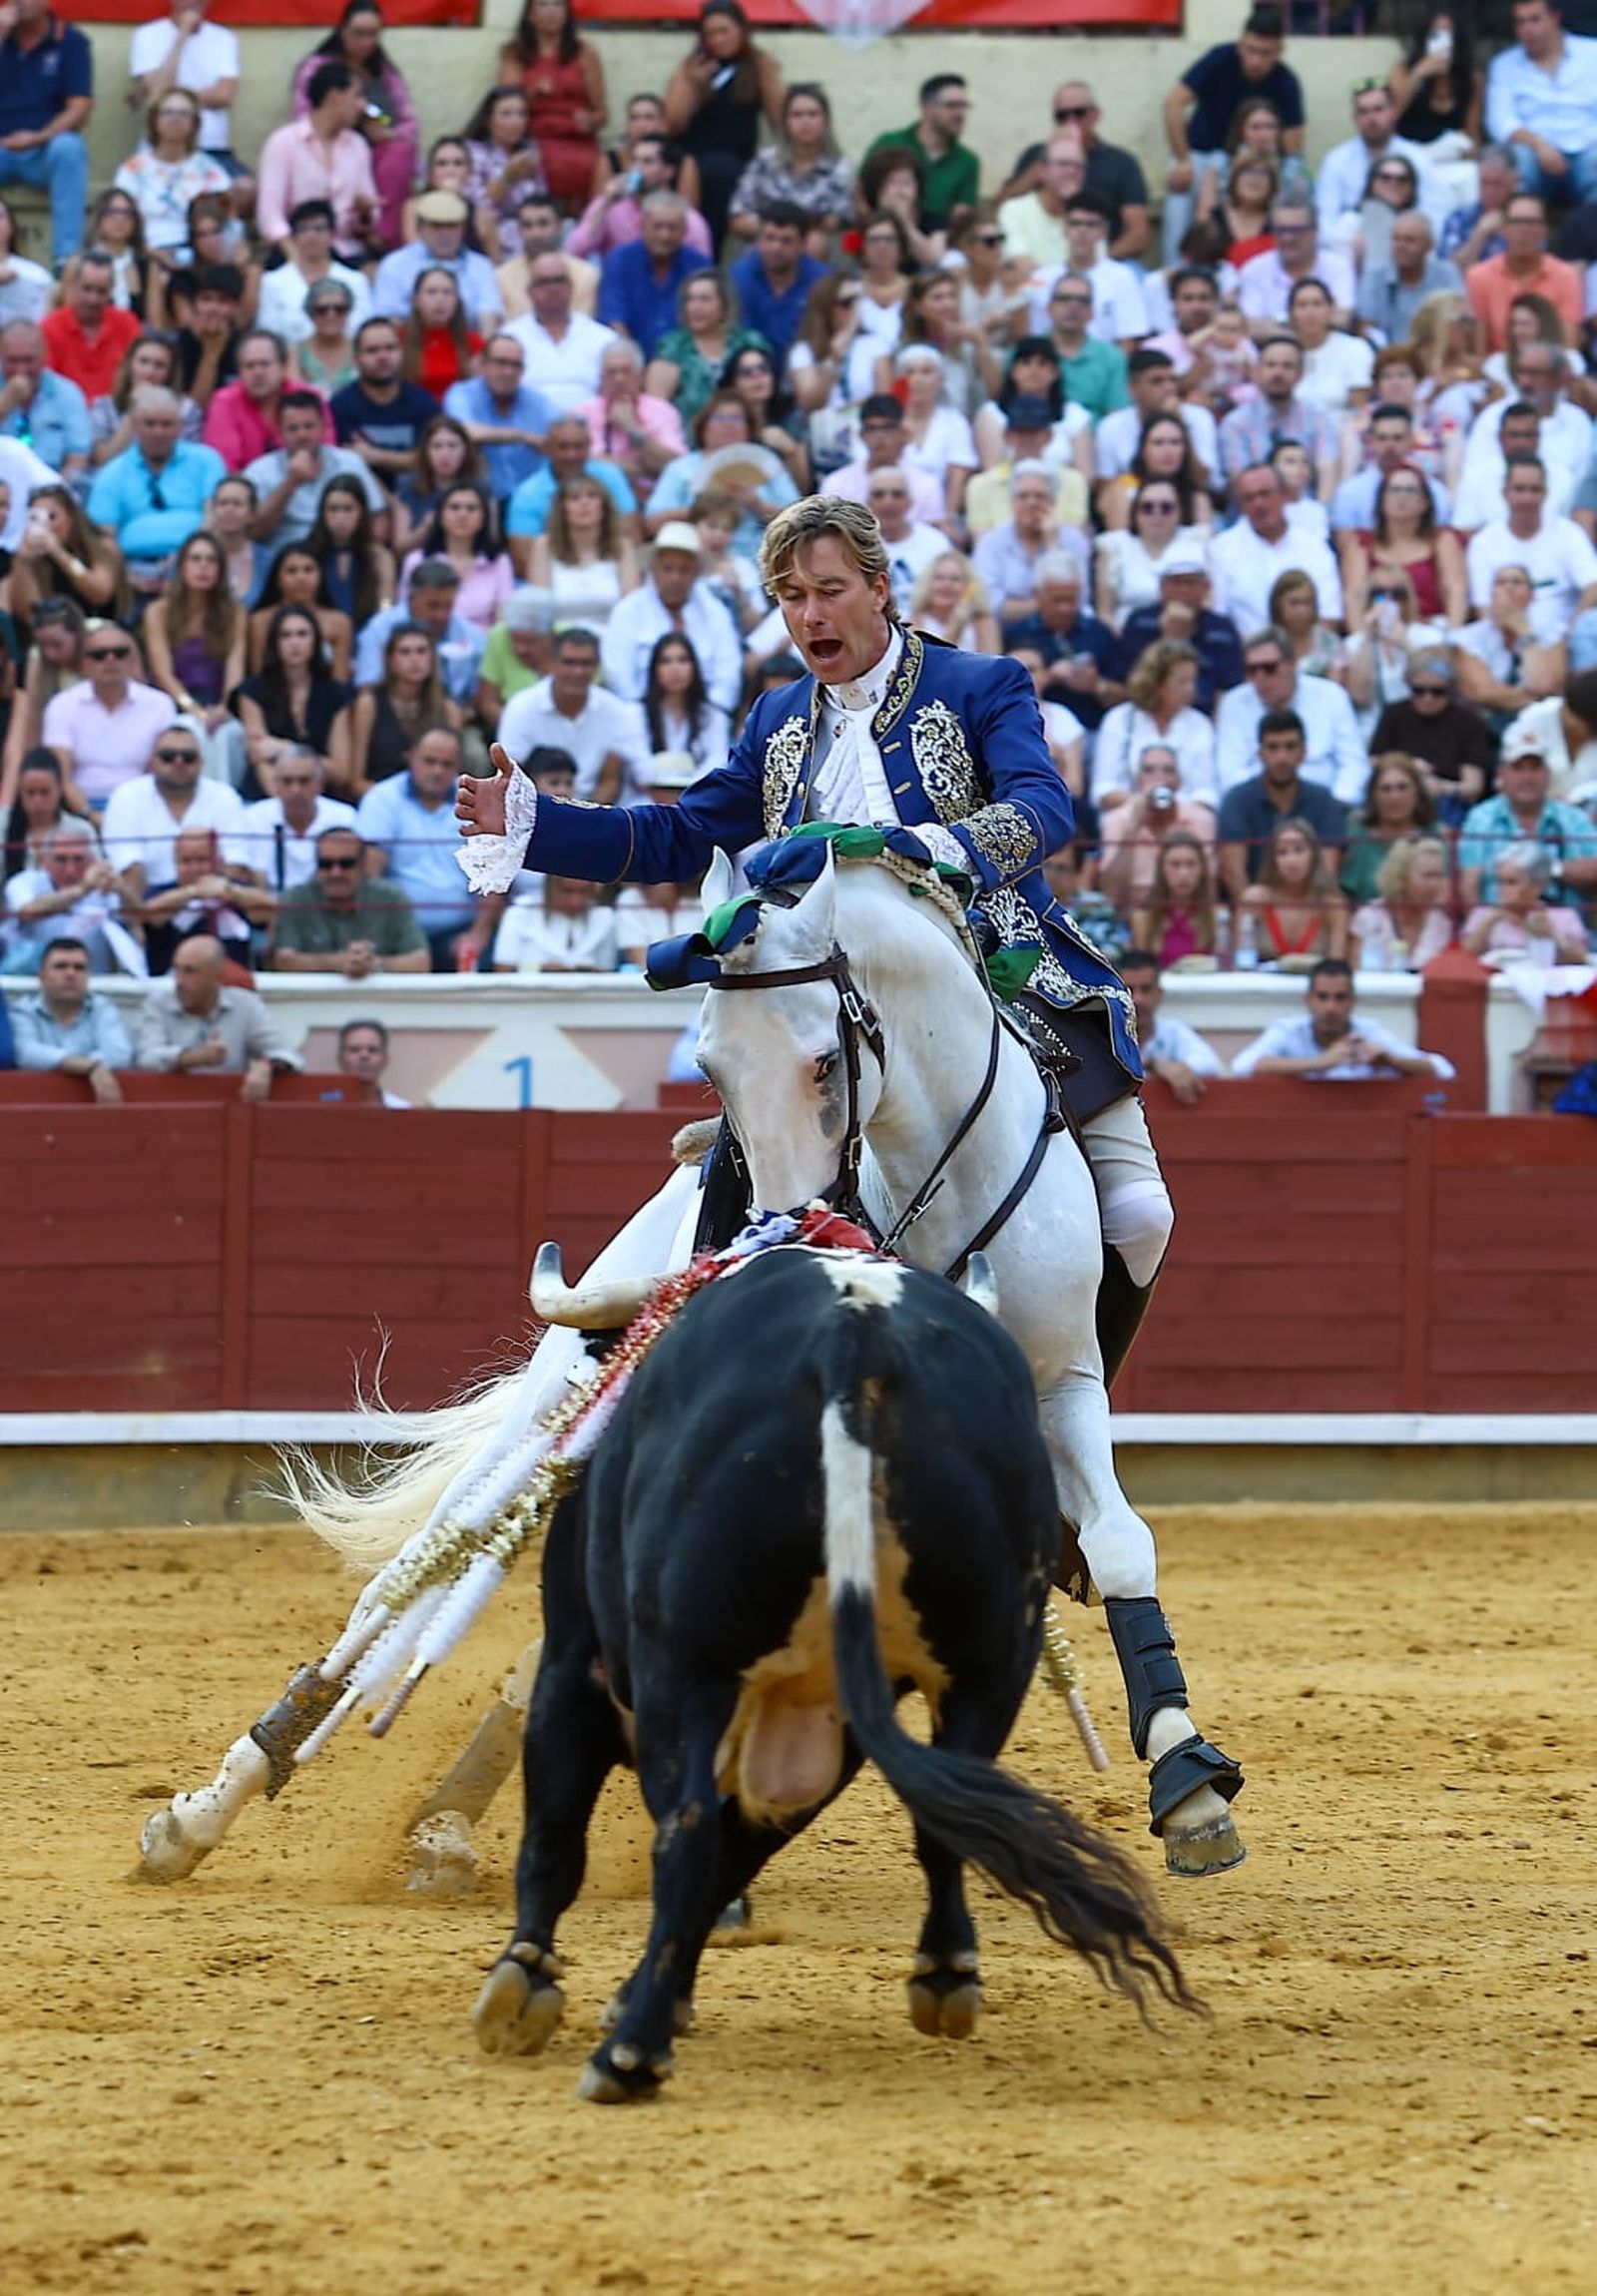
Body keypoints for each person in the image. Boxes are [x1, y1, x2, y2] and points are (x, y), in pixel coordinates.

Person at [462, 485, 1180, 1402]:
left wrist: (929, 847)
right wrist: (536, 826)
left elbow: (1044, 809)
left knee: (1139, 1212)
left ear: (880, 588)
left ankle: (1071, 1391)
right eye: (791, 598)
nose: (810, 615)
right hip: (826, 1011)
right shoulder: (777, 722)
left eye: (829, 590)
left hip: (997, 972)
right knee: (738, 1207)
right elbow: (685, 833)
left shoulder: (979, 686)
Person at [1160, 6, 1303, 265]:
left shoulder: (1286, 82)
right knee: (1179, 190)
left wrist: (1270, 167)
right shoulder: (1220, 59)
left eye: (1266, 53)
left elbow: (1293, 148)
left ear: (1280, 51)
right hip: (1200, 157)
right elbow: (1173, 104)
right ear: (1240, 45)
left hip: (1254, 161)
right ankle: (1177, 272)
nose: (1256, 60)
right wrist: (1182, 159)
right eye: (1251, 50)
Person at [357, 722, 488, 970]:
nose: (437, 771)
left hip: (461, 931)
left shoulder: (475, 800)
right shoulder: (382, 799)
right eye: (429, 761)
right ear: (410, 758)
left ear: (458, 765)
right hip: (398, 931)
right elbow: (369, 877)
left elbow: (494, 875)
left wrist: (477, 935)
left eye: (447, 764)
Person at [663, 1, 784, 248]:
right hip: (691, 154)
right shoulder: (694, 65)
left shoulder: (758, 64)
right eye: (711, 33)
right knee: (693, 170)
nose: (718, 40)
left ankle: (708, 253)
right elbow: (672, 124)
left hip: (734, 157)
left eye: (724, 31)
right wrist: (696, 86)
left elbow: (780, 120)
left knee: (719, 172)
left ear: (741, 30)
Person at [99, 714, 251, 907]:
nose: (178, 762)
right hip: (149, 907)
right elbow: (130, 871)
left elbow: (236, 866)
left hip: (215, 904)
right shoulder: (127, 797)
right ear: (152, 762)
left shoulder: (225, 797)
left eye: (188, 757)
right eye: (168, 756)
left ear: (201, 763)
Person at [599, 521, 741, 714]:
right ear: (654, 569)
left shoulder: (715, 612)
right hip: (639, 715)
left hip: (705, 715)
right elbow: (618, 674)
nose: (675, 578)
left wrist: (710, 715)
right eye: (668, 569)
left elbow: (728, 673)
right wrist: (642, 715)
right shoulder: (627, 611)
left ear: (696, 572)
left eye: (683, 570)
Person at [1232, 956, 1454, 1078]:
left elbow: (1444, 1070)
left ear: (1352, 1002)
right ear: (1308, 1000)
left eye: (1340, 998)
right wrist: (1319, 1063)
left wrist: (1391, 1061)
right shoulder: (1288, 1030)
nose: (1331, 1007)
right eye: (1323, 997)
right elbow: (1242, 1067)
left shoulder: (1368, 1031)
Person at [134, 930, 298, 1093]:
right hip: (171, 1107)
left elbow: (288, 1055)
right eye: (177, 969)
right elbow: (146, 1058)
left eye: (190, 971)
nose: (179, 981)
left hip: (232, 1104)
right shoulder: (157, 1004)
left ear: (218, 976)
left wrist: (267, 1066)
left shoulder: (245, 1004)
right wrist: (196, 1058)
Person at [1006, 80, 1149, 263]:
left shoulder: (1120, 162)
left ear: (1096, 115)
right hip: (1040, 257)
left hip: (1108, 258)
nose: (1070, 120)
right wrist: (1043, 163)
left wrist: (1098, 264)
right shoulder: (1036, 155)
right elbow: (1003, 209)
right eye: (1061, 115)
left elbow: (1139, 233)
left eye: (1078, 113)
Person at [43, 620, 177, 813]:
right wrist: (90, 816)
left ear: (132, 661)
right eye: (100, 655)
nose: (111, 660)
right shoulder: (62, 705)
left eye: (120, 653)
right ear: (85, 664)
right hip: (80, 810)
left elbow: (164, 771)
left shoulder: (160, 704)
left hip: (142, 808)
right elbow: (61, 777)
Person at [1216, 708, 1350, 899]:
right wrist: (1254, 919)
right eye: (1273, 748)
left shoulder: (1323, 801)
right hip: (1255, 911)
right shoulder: (1237, 800)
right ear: (1260, 753)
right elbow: (1233, 873)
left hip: (1311, 914)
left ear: (1303, 752)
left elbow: (1327, 875)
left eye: (1290, 747)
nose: (1282, 758)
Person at [1457, 728, 1597, 907]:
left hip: (1565, 927)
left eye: (1535, 768)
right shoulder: (1481, 818)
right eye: (1518, 769)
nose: (1527, 777)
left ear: (1548, 774)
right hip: (1498, 924)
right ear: (1502, 775)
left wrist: (1550, 868)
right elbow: (1469, 886)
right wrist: (1480, 926)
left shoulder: (1573, 818)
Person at [0, 0, 92, 268]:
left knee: (70, 148)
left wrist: (39, 138)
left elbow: (80, 108)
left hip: (42, 150)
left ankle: (66, 261)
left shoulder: (71, 40)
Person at [495, 0, 607, 219]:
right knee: (537, 163)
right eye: (543, 5)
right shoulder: (515, 53)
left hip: (577, 139)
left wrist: (591, 121)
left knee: (594, 166)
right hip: (534, 137)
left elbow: (602, 114)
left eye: (558, 5)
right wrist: (532, 93)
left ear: (567, 14)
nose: (551, 12)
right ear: (530, 15)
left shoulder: (584, 53)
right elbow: (503, 104)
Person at [269, 821, 427, 974]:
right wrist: (339, 962)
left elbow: (420, 962)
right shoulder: (295, 898)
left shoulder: (390, 897)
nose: (335, 873)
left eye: (346, 864)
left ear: (363, 864)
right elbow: (283, 960)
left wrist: (374, 964)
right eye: (326, 864)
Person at [1466, 455, 1597, 642]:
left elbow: (1593, 587)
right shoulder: (1484, 542)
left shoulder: (1568, 533)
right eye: (1519, 489)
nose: (1527, 498)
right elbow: (1483, 607)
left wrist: (1571, 632)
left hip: (1565, 637)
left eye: (1535, 490)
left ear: (1546, 493)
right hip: (1505, 638)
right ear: (1505, 493)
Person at [232, 603, 353, 800]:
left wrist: (285, 748)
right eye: (285, 636)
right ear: (275, 643)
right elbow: (259, 756)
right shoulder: (252, 690)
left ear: (315, 641)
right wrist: (287, 801)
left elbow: (341, 771)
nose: (294, 642)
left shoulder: (336, 694)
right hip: (265, 797)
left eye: (302, 634)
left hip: (320, 799)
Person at [1211, 465, 1343, 637]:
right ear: (1241, 506)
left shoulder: (1314, 548)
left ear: (1284, 495)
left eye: (1265, 494)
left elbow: (1329, 615)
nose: (1258, 503)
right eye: (1249, 498)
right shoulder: (1220, 550)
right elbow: (1218, 618)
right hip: (1247, 655)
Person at [1484, 0, 1597, 203]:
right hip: (1535, 153)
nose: (1527, 29)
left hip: (1588, 147)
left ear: (1555, 19)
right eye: (1520, 22)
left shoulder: (1592, 53)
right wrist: (1539, 145)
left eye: (1534, 20)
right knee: (1517, 160)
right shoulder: (1504, 64)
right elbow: (1500, 121)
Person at [3, 818, 142, 977]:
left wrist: (123, 890)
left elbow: (140, 921)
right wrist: (82, 889)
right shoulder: (24, 882)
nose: (70, 869)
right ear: (45, 861)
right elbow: (27, 911)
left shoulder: (104, 888)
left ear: (91, 861)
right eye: (61, 860)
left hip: (97, 985)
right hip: (27, 985)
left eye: (78, 860)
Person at [127, 1, 243, 184]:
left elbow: (224, 95)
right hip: (161, 148)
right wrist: (181, 36)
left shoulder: (224, 38)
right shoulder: (147, 35)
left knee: (245, 188)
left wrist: (174, 97)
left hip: (211, 147)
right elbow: (158, 93)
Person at [348, 618, 461, 796]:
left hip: (433, 800)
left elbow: (453, 775)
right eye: (405, 652)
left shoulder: (449, 710)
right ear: (390, 660)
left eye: (421, 651)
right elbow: (356, 780)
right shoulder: (368, 705)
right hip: (380, 798)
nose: (414, 660)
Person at [10, 933, 131, 1096]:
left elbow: (119, 1053)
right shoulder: (23, 1010)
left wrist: (72, 1064)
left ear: (88, 976)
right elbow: (24, 1052)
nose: (70, 974)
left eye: (79, 967)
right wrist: (90, 1067)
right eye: (61, 966)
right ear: (41, 976)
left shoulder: (103, 1008)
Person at [1464, 190, 1583, 350]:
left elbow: (1569, 347)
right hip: (1495, 369)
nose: (1524, 230)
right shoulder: (1479, 277)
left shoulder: (1566, 276)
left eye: (1532, 222)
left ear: (1545, 231)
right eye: (1516, 222)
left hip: (1549, 369)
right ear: (1503, 229)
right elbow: (1480, 350)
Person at [443, 333, 553, 506]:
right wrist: (523, 437)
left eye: (516, 365)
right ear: (483, 365)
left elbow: (560, 437)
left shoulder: (538, 402)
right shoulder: (462, 394)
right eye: (501, 363)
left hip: (529, 502)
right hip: (478, 504)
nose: (508, 372)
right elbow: (464, 431)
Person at [329, 317, 441, 485]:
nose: (382, 357)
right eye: (372, 350)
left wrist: (375, 456)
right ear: (356, 359)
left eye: (390, 348)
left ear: (402, 352)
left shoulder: (424, 404)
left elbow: (435, 460)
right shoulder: (340, 406)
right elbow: (341, 465)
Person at [506, 250, 617, 415]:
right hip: (526, 432)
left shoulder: (604, 339)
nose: (553, 288)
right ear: (529, 291)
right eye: (544, 282)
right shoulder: (509, 338)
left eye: (559, 281)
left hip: (590, 433)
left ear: (571, 287)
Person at [864, 74, 979, 233]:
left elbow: (962, 218)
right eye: (952, 106)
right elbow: (860, 194)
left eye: (963, 106)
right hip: (882, 235)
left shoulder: (968, 161)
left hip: (938, 242)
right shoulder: (889, 142)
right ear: (926, 107)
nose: (960, 114)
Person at [257, 200, 371, 349]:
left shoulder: (355, 280)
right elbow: (269, 334)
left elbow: (362, 330)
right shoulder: (272, 282)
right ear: (293, 237)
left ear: (332, 236)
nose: (311, 235)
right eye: (303, 229)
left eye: (319, 229)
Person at [240, 747, 356, 893]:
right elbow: (248, 875)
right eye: (287, 781)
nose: (296, 790)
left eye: (304, 781)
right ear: (275, 783)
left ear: (320, 784)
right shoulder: (252, 818)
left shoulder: (345, 818)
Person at [1117, 948, 1225, 1103]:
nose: (1137, 1000)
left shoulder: (1173, 1032)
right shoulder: (1102, 1035)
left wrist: (1155, 1063)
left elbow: (1211, 1064)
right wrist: (1153, 1065)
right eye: (1129, 990)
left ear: (1159, 994)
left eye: (1146, 989)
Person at [729, 206, 826, 372]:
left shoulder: (822, 281)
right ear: (758, 240)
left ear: (803, 244)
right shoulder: (738, 276)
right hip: (750, 373)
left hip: (803, 373)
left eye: (786, 241)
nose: (776, 247)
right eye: (769, 238)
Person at [1461, 838, 1592, 960]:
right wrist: (1490, 921)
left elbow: (1583, 960)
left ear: (1538, 886)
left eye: (1511, 882)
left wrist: (1553, 935)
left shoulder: (1564, 916)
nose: (1500, 889)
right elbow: (1463, 959)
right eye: (1499, 882)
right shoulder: (1482, 914)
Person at [42, 254, 143, 405]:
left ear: (111, 290)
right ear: (73, 285)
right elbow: (46, 384)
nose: (93, 299)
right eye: (87, 289)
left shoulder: (127, 323)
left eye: (101, 291)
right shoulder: (50, 326)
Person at [1348, 833, 1455, 970]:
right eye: (1428, 876)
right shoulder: (1370, 917)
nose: (1435, 885)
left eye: (1438, 876)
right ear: (1400, 877)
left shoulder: (1442, 923)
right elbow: (1355, 974)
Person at [336, 1013, 412, 1105]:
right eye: (355, 1050)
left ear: (385, 1060)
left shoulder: (401, 1109)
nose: (364, 1056)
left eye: (372, 1050)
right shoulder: (324, 1108)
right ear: (340, 1059)